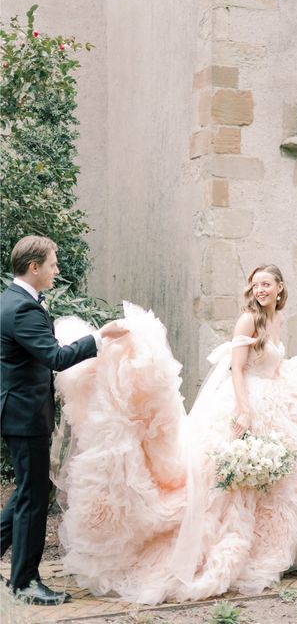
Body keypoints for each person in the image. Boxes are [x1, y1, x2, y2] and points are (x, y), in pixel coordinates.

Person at [52, 263, 297, 604]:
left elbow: (272, 363)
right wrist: (244, 411)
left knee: (277, 481)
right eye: (256, 285)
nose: (260, 290)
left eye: (266, 285)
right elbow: (237, 368)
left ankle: (273, 547)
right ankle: (233, 548)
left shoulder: (277, 319)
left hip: (278, 405)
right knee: (236, 483)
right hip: (246, 401)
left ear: (279, 288)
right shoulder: (248, 320)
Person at [0, 235, 128, 605]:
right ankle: (24, 582)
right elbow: (54, 357)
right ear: (34, 267)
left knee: (29, 491)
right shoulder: (21, 308)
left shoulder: (13, 301)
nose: (57, 271)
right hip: (24, 417)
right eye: (53, 264)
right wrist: (100, 337)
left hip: (21, 412)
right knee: (33, 496)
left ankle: (20, 573)